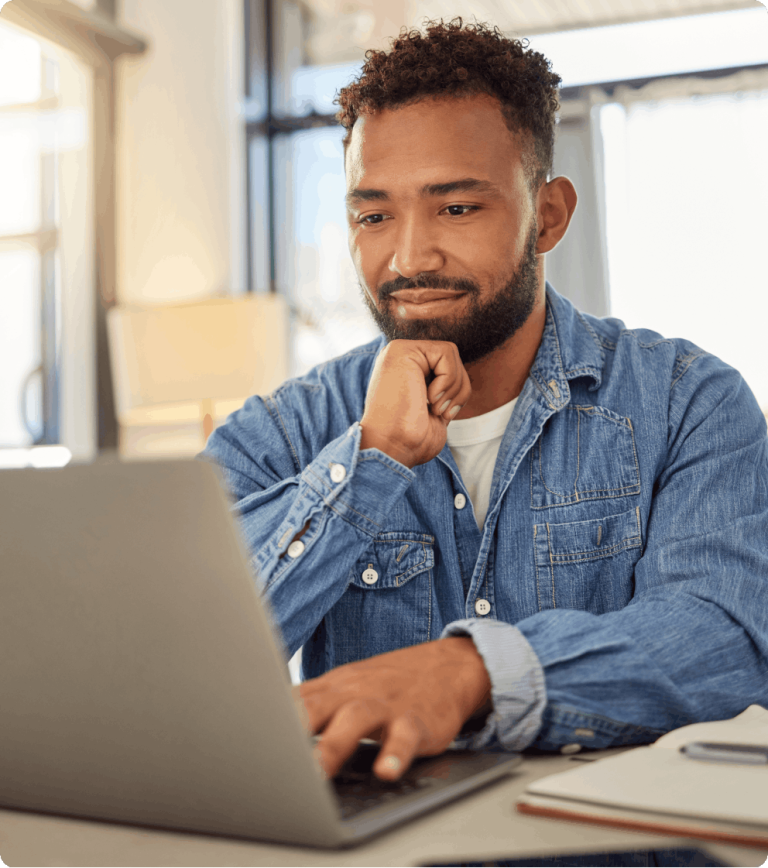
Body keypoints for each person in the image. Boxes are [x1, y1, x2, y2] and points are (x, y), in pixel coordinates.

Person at [201, 18, 768, 868]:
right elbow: (184, 658)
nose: (407, 256)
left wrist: (473, 675)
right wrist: (369, 464)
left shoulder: (689, 401)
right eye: (372, 213)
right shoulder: (289, 429)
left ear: (547, 214)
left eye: (457, 206)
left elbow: (725, 639)